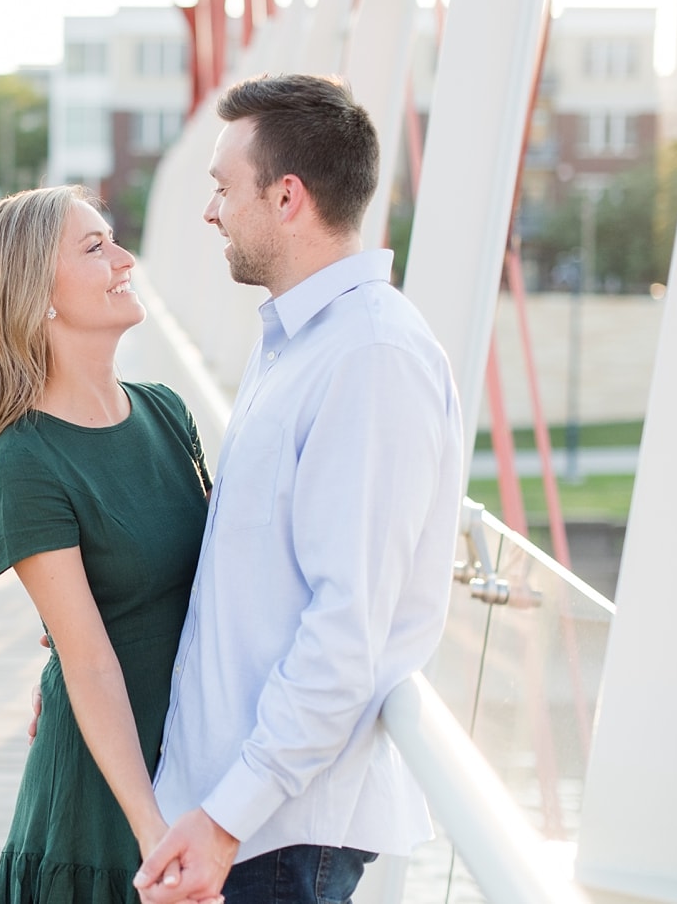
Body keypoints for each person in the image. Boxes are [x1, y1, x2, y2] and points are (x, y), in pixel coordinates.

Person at [132, 74, 466, 904]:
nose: (210, 211)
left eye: (222, 188)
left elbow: (345, 631)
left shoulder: (371, 359)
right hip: (235, 820)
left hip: (276, 837)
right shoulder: (297, 344)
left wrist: (227, 819)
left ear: (286, 198)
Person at [0, 186, 221, 904]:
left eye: (114, 240)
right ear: (36, 293)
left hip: (200, 771)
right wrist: (149, 831)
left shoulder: (166, 410)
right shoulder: (26, 460)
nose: (125, 259)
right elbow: (89, 660)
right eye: (95, 248)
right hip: (108, 812)